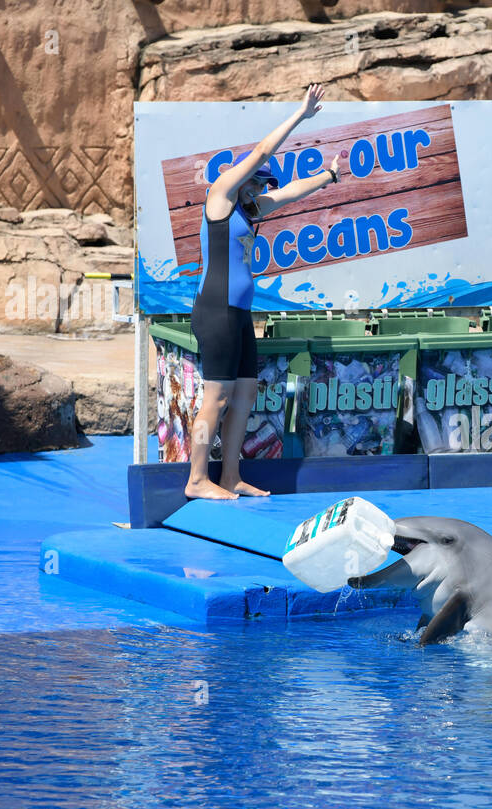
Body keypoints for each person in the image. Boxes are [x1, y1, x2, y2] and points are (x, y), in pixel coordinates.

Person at [185, 82, 342, 500]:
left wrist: (329, 175)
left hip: (238, 314)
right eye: (255, 183)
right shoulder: (218, 198)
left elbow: (290, 191)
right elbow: (260, 153)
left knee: (246, 393)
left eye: (261, 185)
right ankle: (197, 479)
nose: (259, 189)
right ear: (242, 179)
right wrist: (300, 115)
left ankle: (230, 475)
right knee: (215, 398)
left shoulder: (251, 211)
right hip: (215, 310)